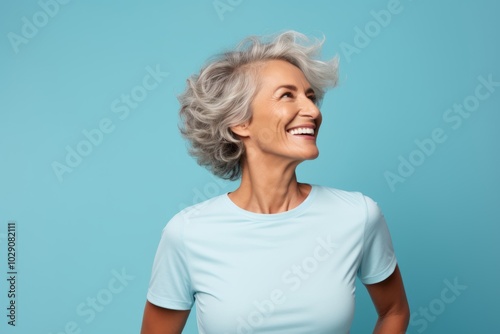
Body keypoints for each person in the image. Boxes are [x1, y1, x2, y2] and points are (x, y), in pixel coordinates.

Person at [140, 31, 409, 334]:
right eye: (287, 95)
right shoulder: (187, 234)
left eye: (310, 96)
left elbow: (394, 311)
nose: (313, 111)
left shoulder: (357, 215)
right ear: (240, 122)